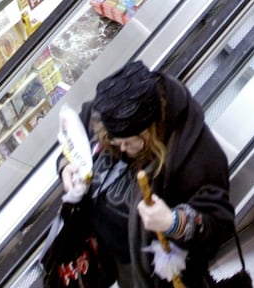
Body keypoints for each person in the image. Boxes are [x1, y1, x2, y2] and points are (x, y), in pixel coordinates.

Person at [59, 61, 234, 288]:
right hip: (109, 253)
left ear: (149, 132)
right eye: (113, 142)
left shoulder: (197, 155)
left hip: (156, 274)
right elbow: (76, 134)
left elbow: (219, 222)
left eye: (128, 144)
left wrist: (174, 222)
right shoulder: (111, 107)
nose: (121, 149)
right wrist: (66, 166)